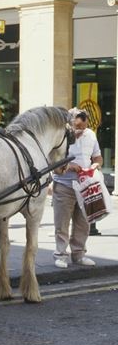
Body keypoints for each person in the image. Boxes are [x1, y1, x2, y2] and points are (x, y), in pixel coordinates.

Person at [52, 109, 103, 269]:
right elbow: (54, 164)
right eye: (77, 127)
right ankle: (60, 255)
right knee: (62, 223)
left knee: (83, 223)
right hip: (64, 185)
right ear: (70, 124)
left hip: (85, 186)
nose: (81, 130)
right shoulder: (60, 136)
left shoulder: (91, 135)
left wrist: (96, 165)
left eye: (84, 126)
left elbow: (97, 156)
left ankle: (79, 254)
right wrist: (69, 165)